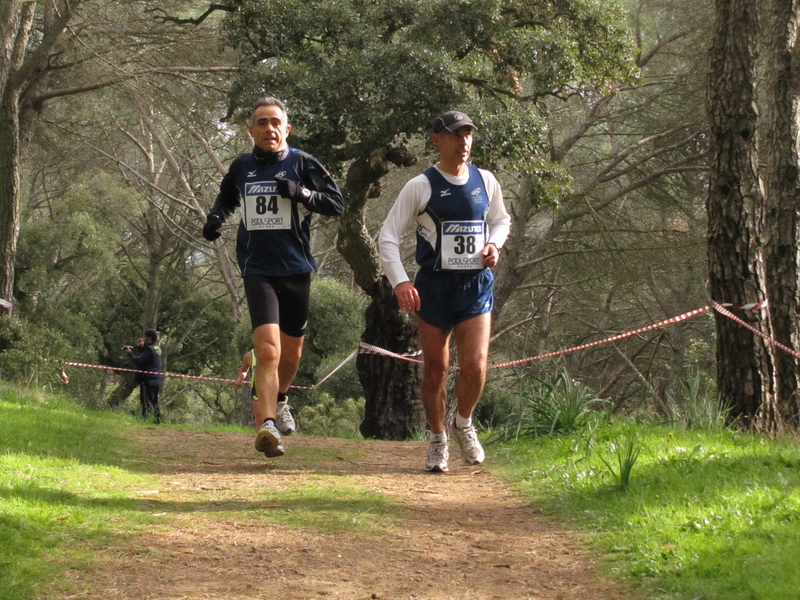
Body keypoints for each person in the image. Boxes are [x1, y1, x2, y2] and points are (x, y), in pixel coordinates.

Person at [203, 97, 343, 458]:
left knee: (292, 355)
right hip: (257, 267)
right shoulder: (242, 166)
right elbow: (227, 197)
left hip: (296, 267)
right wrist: (216, 218)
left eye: (275, 122)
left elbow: (336, 203)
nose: (269, 129)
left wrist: (301, 192)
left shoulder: (302, 163)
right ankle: (266, 426)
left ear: (287, 128)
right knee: (267, 350)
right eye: (262, 123)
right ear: (251, 130)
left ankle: (280, 400)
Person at [378, 110, 511, 473]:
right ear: (438, 140)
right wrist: (401, 281)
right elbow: (387, 237)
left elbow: (501, 220)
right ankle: (437, 440)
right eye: (455, 135)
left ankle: (463, 423)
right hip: (434, 286)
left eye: (468, 134)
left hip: (474, 285)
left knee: (475, 366)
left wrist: (494, 245)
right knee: (436, 369)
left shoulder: (486, 181)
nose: (463, 141)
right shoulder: (420, 186)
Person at [235, 348, 295, 434]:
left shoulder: (274, 353)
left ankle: (278, 434)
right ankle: (261, 440)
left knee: (273, 416)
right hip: (257, 388)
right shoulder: (249, 356)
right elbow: (243, 370)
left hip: (273, 388)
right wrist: (240, 378)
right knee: (260, 417)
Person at [124, 329, 163, 423]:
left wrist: (130, 352)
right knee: (154, 401)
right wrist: (141, 347)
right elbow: (147, 357)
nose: (143, 339)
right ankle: (157, 420)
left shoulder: (149, 349)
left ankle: (146, 420)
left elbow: (138, 360)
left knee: (146, 401)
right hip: (156, 379)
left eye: (145, 337)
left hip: (147, 379)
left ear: (149, 338)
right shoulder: (157, 348)